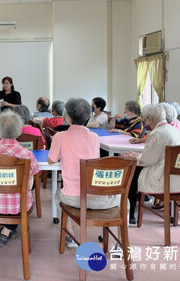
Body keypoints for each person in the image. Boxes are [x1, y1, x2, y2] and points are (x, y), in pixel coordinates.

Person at [48, 98, 121, 248]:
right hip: (98, 198)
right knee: (123, 200)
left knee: (58, 196)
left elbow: (50, 160)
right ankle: (120, 241)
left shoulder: (59, 137)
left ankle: (70, 236)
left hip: (72, 199)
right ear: (88, 116)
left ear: (67, 117)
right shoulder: (94, 137)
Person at [122, 104, 180, 226]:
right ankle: (131, 213)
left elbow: (148, 159)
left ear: (150, 119)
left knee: (132, 171)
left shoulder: (157, 133)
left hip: (164, 181)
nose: (144, 122)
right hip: (178, 180)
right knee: (136, 167)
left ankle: (130, 214)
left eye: (144, 119)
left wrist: (136, 156)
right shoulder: (173, 130)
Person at [0, 112, 40, 247]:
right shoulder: (27, 154)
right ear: (19, 131)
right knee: (24, 194)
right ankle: (7, 230)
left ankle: (7, 230)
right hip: (18, 206)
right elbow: (30, 185)